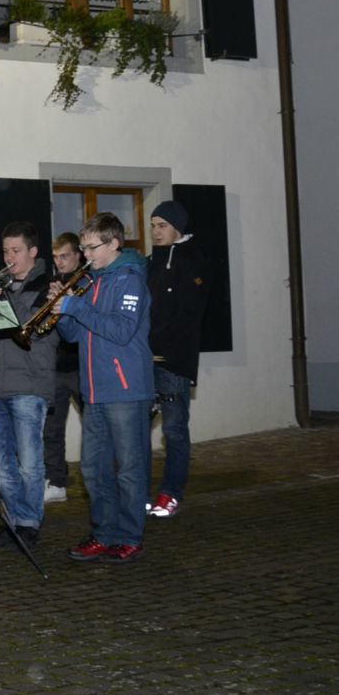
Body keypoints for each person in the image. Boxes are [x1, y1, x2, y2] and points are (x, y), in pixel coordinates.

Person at [55, 212, 154, 564]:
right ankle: (104, 533)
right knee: (94, 469)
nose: (85, 254)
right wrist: (62, 311)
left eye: (91, 247)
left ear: (114, 244)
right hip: (94, 390)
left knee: (128, 469)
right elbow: (74, 336)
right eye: (83, 247)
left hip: (126, 389)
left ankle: (129, 536)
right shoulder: (92, 282)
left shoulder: (131, 280)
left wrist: (77, 307)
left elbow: (121, 330)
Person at [0, 222, 57, 549]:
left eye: (16, 251)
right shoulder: (3, 287)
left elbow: (29, 326)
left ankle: (29, 523)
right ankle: (16, 518)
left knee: (29, 463)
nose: (9, 257)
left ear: (33, 252)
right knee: (0, 464)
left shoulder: (48, 286)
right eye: (5, 251)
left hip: (30, 383)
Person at [147, 200, 208, 519]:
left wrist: (162, 345)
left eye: (162, 226)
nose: (156, 232)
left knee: (173, 429)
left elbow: (189, 315)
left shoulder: (192, 260)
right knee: (137, 430)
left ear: (177, 228)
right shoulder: (150, 263)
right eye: (153, 226)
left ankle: (170, 493)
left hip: (173, 361)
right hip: (144, 361)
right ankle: (138, 492)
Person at [41, 233, 84, 504]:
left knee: (94, 427)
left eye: (65, 256)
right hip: (56, 367)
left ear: (78, 255)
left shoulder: (88, 282)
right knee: (52, 429)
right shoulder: (51, 284)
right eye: (56, 257)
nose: (60, 262)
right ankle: (56, 482)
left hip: (81, 366)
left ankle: (98, 479)